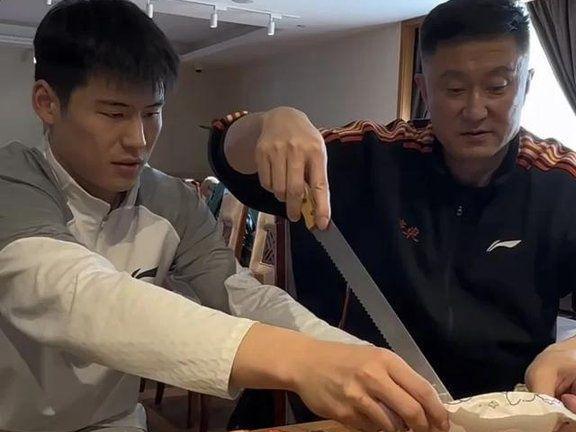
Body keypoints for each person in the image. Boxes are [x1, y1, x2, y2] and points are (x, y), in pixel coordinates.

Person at [0, 1, 449, 432]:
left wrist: (358, 359)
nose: (138, 139)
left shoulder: (170, 199)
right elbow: (73, 294)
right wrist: (297, 360)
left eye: (152, 113)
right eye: (114, 113)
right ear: (47, 103)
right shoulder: (13, 181)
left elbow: (239, 295)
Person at [211, 0, 576, 425]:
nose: (475, 110)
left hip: (506, 415)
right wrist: (272, 123)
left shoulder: (562, 180)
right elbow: (228, 157)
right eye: (454, 90)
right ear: (424, 89)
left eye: (497, 87)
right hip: (360, 412)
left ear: (526, 85)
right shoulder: (371, 154)